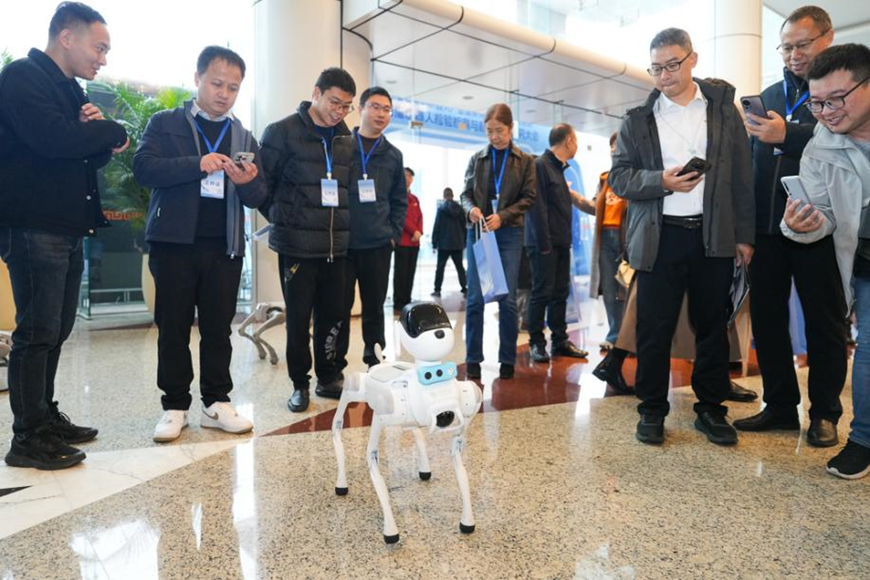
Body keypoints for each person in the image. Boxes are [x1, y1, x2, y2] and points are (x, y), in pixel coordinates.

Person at [609, 28, 754, 446]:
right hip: (660, 237)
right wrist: (661, 181)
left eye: (672, 65)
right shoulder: (638, 119)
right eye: (656, 68)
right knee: (654, 328)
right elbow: (620, 177)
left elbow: (742, 176)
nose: (664, 75)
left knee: (712, 326)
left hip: (713, 234)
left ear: (692, 59)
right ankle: (652, 409)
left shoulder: (722, 110)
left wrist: (744, 236)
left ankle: (710, 409)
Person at [0, 2, 128, 470]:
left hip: (66, 225)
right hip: (33, 225)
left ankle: (45, 417)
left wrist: (96, 136)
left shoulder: (71, 90)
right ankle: (27, 437)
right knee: (36, 332)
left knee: (56, 330)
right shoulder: (22, 77)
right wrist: (107, 130)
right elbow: (52, 140)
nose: (103, 59)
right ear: (67, 37)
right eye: (100, 48)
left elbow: (87, 155)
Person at [133, 46, 268, 442]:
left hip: (224, 247)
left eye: (233, 88)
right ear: (197, 79)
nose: (224, 94)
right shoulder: (165, 123)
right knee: (173, 327)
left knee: (218, 329)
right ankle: (175, 406)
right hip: (173, 244)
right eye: (216, 83)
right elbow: (143, 168)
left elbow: (259, 195)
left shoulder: (243, 135)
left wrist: (247, 183)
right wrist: (197, 164)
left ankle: (216, 403)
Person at [733, 6, 845, 447]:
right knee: (767, 319)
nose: (794, 54)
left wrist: (789, 134)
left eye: (802, 44)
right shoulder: (769, 95)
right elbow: (751, 168)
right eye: (786, 47)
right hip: (768, 230)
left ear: (827, 38)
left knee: (823, 320)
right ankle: (780, 405)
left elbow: (845, 146)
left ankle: (825, 413)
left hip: (820, 225)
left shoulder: (842, 92)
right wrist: (746, 233)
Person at [781, 43, 870, 479]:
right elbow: (826, 216)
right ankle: (863, 441)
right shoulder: (820, 146)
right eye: (816, 103)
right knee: (868, 348)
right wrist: (801, 224)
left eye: (836, 99)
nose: (826, 112)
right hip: (866, 258)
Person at [261, 67, 355, 413]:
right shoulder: (282, 132)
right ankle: (299, 384)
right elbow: (263, 186)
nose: (339, 111)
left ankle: (328, 377)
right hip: (297, 246)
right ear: (316, 93)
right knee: (299, 320)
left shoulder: (345, 139)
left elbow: (346, 190)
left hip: (335, 247)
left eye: (346, 106)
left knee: (333, 316)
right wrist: (284, 218)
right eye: (334, 102)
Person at [462, 103, 536, 380]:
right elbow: (465, 194)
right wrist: (471, 209)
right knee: (475, 299)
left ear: (511, 128)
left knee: (507, 298)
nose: (494, 137)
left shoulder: (525, 161)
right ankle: (473, 358)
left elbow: (529, 197)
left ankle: (507, 359)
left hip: (509, 234)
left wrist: (503, 217)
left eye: (499, 131)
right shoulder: (477, 158)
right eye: (489, 131)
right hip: (479, 232)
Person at [336, 86, 407, 369]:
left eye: (386, 109)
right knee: (338, 308)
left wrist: (393, 235)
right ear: (361, 109)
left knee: (374, 308)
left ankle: (374, 359)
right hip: (343, 243)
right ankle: (335, 364)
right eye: (375, 107)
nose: (381, 114)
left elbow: (399, 199)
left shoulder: (393, 155)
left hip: (378, 244)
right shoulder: (342, 146)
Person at [525, 123, 589, 363]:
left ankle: (560, 341)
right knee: (541, 293)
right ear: (569, 141)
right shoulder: (540, 165)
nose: (577, 147)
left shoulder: (559, 169)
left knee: (560, 293)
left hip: (560, 242)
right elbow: (537, 208)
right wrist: (545, 244)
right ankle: (536, 343)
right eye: (576, 141)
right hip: (544, 243)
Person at [576, 131, 628, 352]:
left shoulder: (634, 176)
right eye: (612, 145)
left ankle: (630, 337)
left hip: (627, 239)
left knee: (628, 289)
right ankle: (614, 334)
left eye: (619, 145)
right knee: (608, 288)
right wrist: (573, 196)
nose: (614, 149)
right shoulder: (605, 179)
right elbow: (594, 207)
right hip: (605, 238)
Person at [393, 167, 422, 312]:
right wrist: (414, 231)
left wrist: (419, 232)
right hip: (403, 241)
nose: (408, 178)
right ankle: (399, 302)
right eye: (405, 175)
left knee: (410, 273)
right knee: (401, 273)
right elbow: (401, 217)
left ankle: (407, 299)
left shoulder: (414, 198)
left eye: (410, 176)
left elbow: (420, 216)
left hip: (414, 242)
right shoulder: (397, 197)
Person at [431, 187, 467, 297]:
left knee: (440, 268)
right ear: (452, 195)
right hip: (457, 244)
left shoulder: (441, 209)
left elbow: (437, 226)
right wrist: (464, 241)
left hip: (444, 244)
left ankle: (437, 290)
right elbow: (464, 226)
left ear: (444, 196)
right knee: (460, 267)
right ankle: (464, 288)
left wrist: (434, 243)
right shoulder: (460, 209)